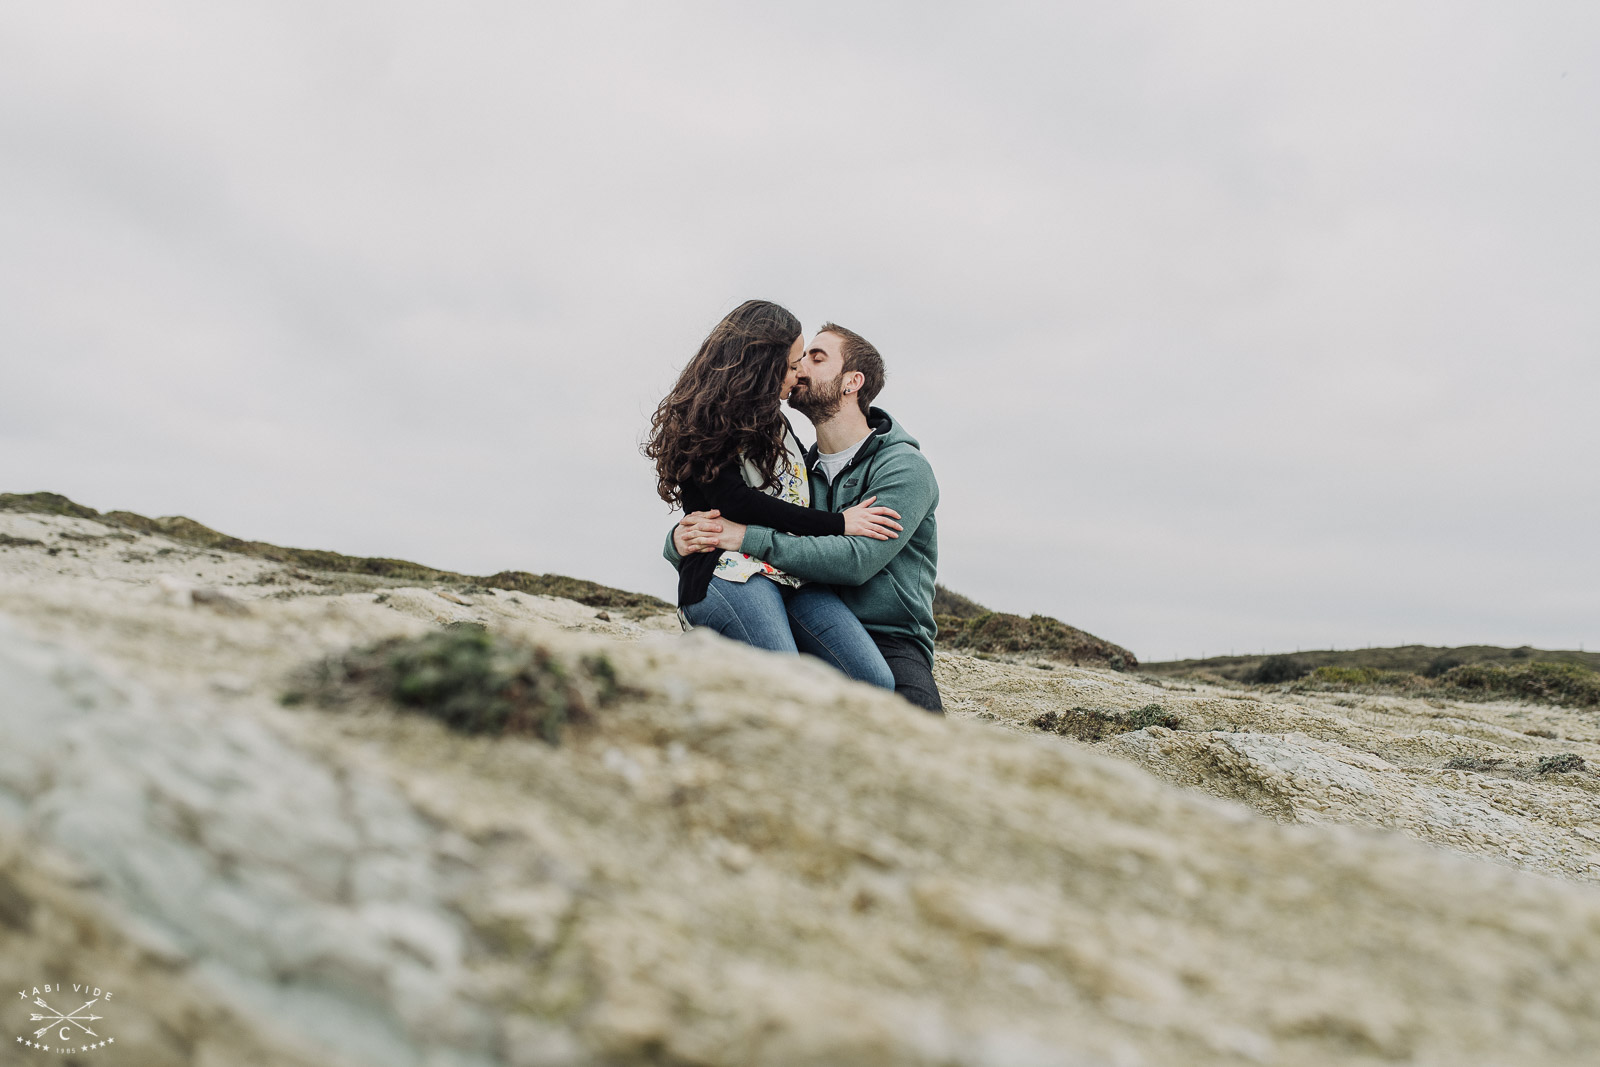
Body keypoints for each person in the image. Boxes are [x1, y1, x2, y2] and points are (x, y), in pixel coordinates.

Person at [668, 323, 944, 713]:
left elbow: (856, 560)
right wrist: (678, 540)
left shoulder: (902, 467)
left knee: (918, 737)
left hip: (885, 635)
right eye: (799, 359)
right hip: (797, 603)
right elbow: (736, 504)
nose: (799, 368)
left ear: (852, 382)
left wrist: (744, 536)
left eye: (816, 358)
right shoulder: (800, 465)